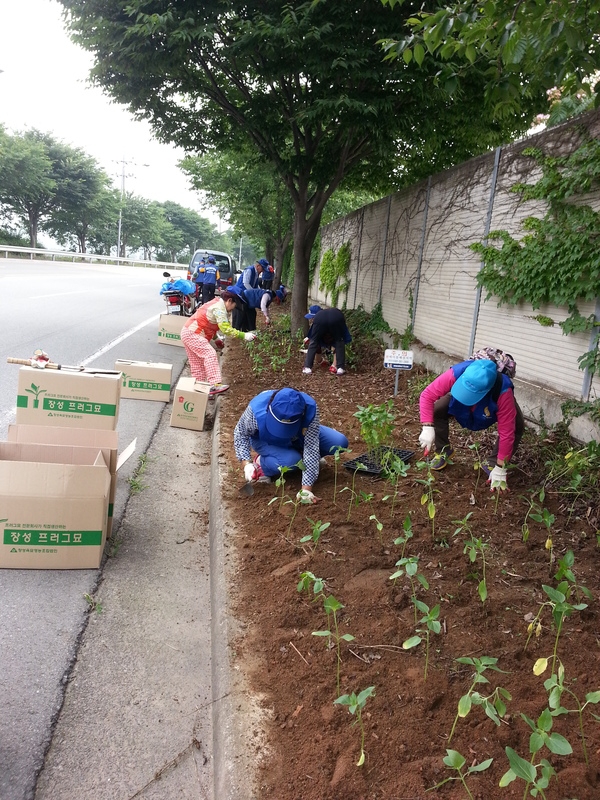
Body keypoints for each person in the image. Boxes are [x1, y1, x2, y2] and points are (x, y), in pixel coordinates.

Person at [418, 357, 525, 490]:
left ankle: (493, 463)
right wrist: (427, 426)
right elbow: (427, 395)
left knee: (516, 426)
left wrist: (501, 467)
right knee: (438, 410)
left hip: (488, 407)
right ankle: (443, 451)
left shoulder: (503, 393)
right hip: (459, 405)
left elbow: (507, 433)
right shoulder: (458, 371)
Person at [234, 388, 349, 503]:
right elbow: (240, 434)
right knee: (292, 460)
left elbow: (311, 446)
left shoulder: (308, 409)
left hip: (297, 437)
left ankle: (303, 461)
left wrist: (306, 490)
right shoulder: (256, 410)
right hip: (265, 440)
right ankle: (262, 466)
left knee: (339, 443)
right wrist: (246, 464)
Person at [181, 290, 256, 395]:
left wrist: (216, 339)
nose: (233, 310)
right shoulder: (219, 309)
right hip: (193, 334)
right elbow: (226, 329)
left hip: (188, 332)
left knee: (198, 366)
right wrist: (244, 335)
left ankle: (200, 392)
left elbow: (207, 323)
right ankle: (215, 385)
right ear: (229, 301)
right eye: (234, 306)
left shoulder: (216, 303)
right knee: (210, 354)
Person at [302, 305, 352, 376]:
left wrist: (311, 338)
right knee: (339, 341)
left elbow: (313, 338)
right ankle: (340, 368)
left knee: (314, 342)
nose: (311, 319)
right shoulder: (331, 313)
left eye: (312, 318)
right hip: (337, 317)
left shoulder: (319, 316)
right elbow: (342, 336)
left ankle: (307, 367)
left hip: (321, 319)